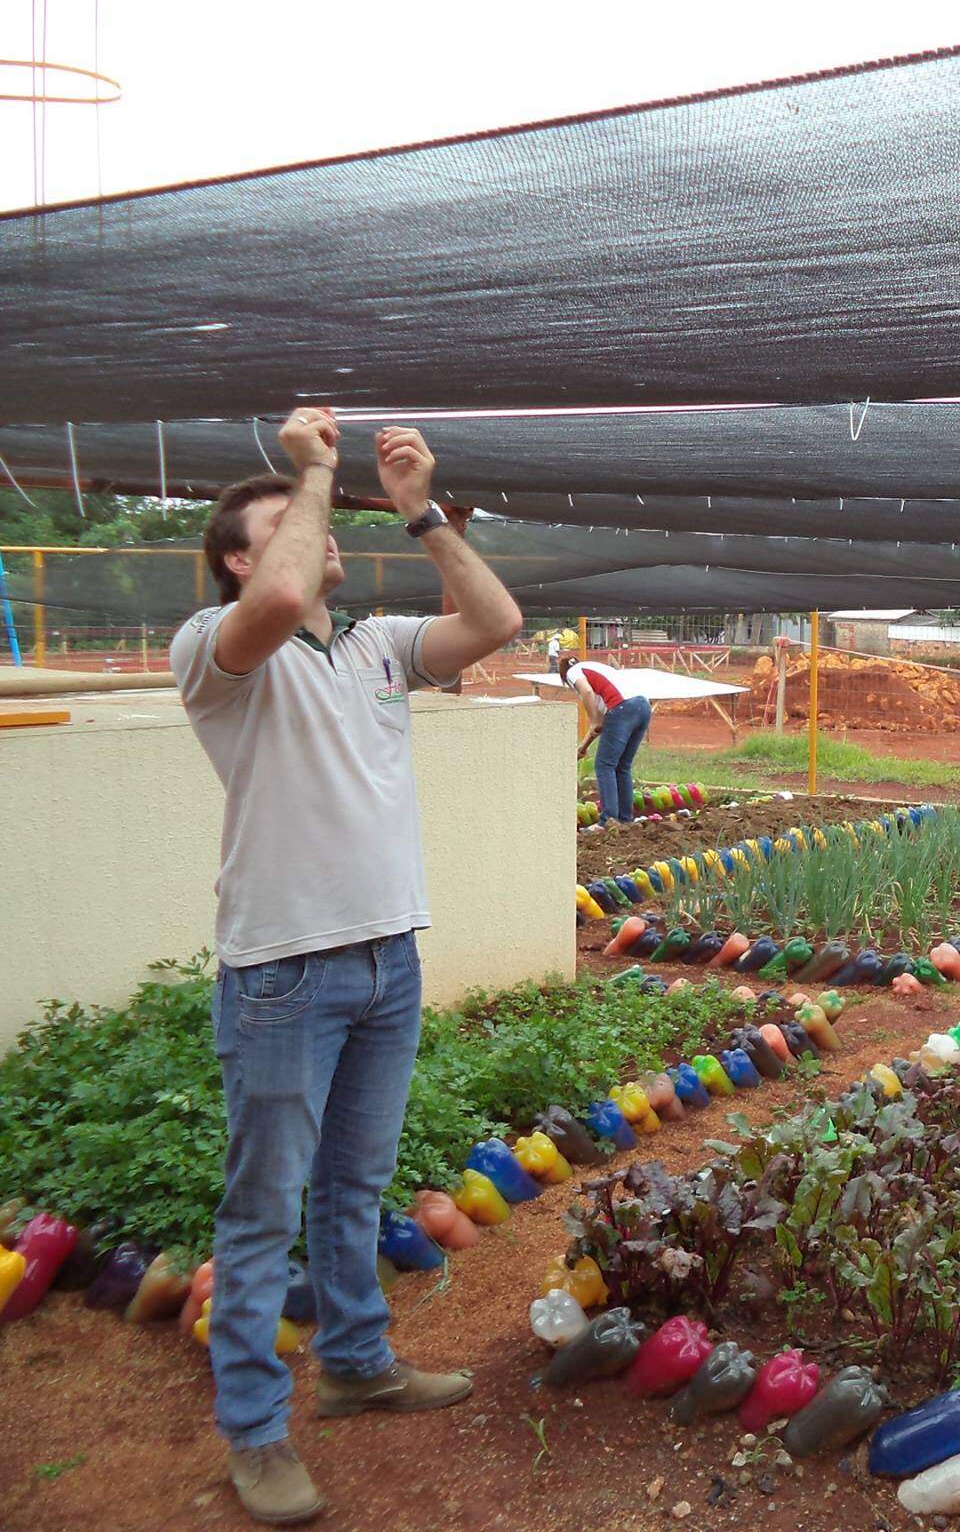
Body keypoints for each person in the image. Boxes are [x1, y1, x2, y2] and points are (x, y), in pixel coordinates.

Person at [170, 409, 523, 1526]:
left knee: (353, 1186)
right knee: (262, 1209)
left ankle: (361, 1366)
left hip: (385, 958)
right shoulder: (215, 646)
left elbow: (496, 619)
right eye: (287, 525)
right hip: (281, 971)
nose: (321, 534)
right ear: (238, 554)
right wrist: (313, 468)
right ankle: (256, 1433)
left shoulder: (372, 645)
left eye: (317, 517)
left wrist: (420, 508)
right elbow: (276, 601)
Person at [559, 652, 652, 823]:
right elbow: (601, 726)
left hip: (622, 708)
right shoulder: (597, 671)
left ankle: (608, 821)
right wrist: (582, 748)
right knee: (622, 766)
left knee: (604, 765)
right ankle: (625, 820)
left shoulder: (573, 672)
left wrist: (593, 719)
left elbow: (587, 692)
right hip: (643, 706)